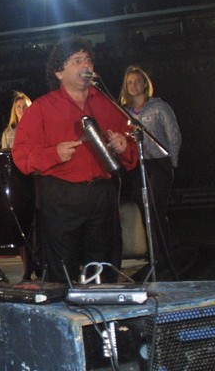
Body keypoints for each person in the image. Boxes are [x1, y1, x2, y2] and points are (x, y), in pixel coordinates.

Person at [13, 37, 137, 283]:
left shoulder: (107, 105)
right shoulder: (41, 108)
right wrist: (53, 154)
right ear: (59, 72)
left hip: (102, 195)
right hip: (61, 197)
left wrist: (124, 146)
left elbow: (131, 154)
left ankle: (104, 319)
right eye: (77, 60)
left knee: (105, 267)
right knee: (62, 271)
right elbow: (21, 156)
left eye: (88, 60)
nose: (86, 65)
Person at [118, 65, 181, 264]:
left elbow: (174, 136)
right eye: (129, 82)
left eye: (137, 81)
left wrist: (172, 164)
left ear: (145, 83)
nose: (133, 85)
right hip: (138, 165)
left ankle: (163, 252)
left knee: (156, 208)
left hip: (159, 163)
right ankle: (152, 252)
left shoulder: (160, 107)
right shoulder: (124, 112)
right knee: (142, 207)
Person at [0, 91, 36, 280]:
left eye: (25, 106)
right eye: (18, 107)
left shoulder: (38, 126)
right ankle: (27, 269)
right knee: (24, 226)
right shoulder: (9, 132)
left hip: (36, 179)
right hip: (18, 182)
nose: (22, 109)